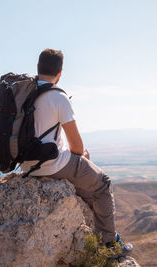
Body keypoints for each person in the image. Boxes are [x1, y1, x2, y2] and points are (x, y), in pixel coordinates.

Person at [20, 48, 133, 257]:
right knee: (103, 183)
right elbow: (76, 146)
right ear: (60, 72)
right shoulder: (58, 97)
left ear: (37, 68)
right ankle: (109, 244)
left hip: (26, 165)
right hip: (52, 164)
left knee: (88, 192)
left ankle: (97, 233)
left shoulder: (24, 94)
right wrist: (82, 156)